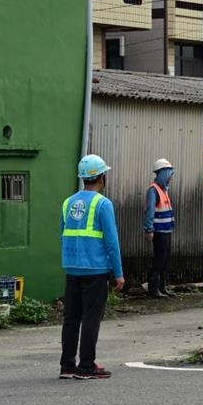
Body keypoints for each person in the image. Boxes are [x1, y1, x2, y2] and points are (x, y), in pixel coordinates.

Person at [60, 154, 125, 380]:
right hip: (95, 269)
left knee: (71, 317)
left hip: (72, 267)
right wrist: (118, 273)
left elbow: (63, 233)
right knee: (90, 317)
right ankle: (86, 365)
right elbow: (111, 241)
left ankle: (67, 366)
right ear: (102, 177)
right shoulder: (102, 204)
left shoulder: (68, 203)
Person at [143, 157, 175, 299]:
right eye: (169, 174)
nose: (170, 178)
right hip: (159, 231)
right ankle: (153, 289)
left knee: (166, 258)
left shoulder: (164, 190)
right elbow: (149, 211)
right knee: (159, 259)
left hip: (166, 230)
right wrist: (149, 229)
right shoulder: (153, 190)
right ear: (163, 173)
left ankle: (162, 288)